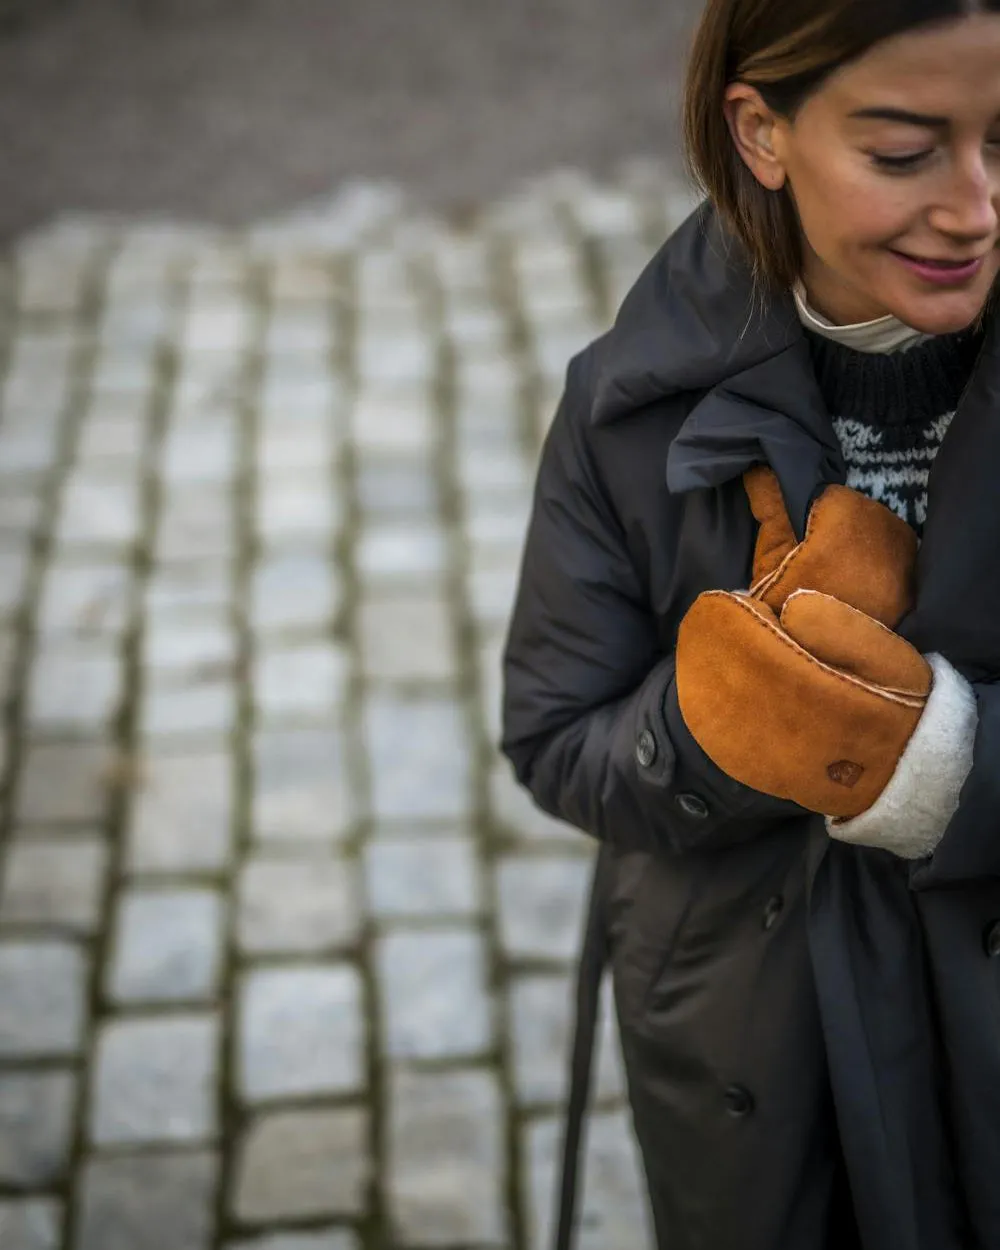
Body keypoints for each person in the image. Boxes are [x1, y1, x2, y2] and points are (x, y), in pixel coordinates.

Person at [501, 2, 1000, 1248]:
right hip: (759, 1049)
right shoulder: (629, 408)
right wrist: (723, 722)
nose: (975, 207)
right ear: (761, 132)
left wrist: (944, 766)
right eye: (903, 152)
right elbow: (556, 732)